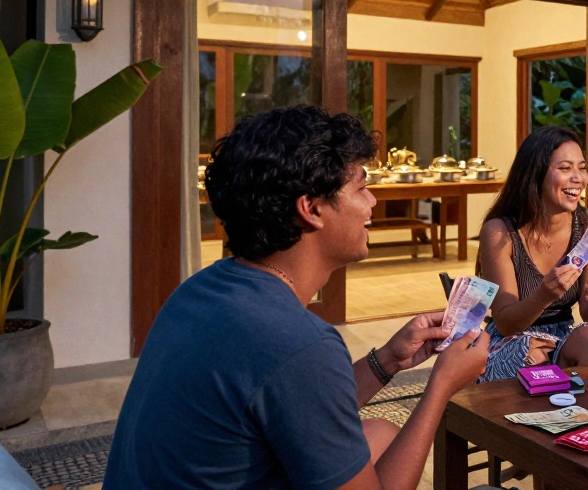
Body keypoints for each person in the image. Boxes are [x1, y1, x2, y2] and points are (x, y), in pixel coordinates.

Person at [104, 106, 488, 490]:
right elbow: (294, 367)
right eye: (361, 187)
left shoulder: (201, 288)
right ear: (312, 209)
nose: (373, 202)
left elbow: (290, 397)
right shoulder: (300, 341)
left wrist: (387, 359)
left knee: (381, 434)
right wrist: (440, 388)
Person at [476, 125, 588, 382]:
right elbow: (506, 322)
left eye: (581, 167)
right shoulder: (500, 232)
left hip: (561, 337)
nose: (578, 178)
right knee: (534, 356)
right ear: (536, 174)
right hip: (509, 340)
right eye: (565, 168)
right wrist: (544, 295)